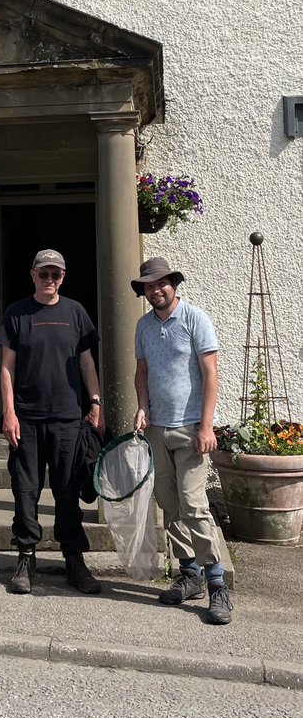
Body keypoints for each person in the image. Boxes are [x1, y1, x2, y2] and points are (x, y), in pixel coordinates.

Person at [132, 256, 233, 625]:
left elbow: (211, 375)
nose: (155, 290)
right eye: (148, 286)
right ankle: (189, 574)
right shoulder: (143, 326)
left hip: (191, 428)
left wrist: (207, 427)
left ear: (173, 284)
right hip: (158, 427)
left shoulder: (194, 318)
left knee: (194, 505)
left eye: (161, 283)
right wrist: (142, 408)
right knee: (170, 505)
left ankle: (217, 582)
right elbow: (141, 373)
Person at [0, 249, 103, 596]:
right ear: (33, 275)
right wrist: (7, 413)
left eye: (56, 274)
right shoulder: (17, 313)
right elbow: (6, 368)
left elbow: (87, 362)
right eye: (44, 274)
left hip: (68, 416)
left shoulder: (76, 312)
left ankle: (73, 558)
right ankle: (26, 557)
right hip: (26, 417)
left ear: (63, 277)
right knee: (25, 491)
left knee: (67, 490)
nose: (50, 280)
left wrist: (96, 401)